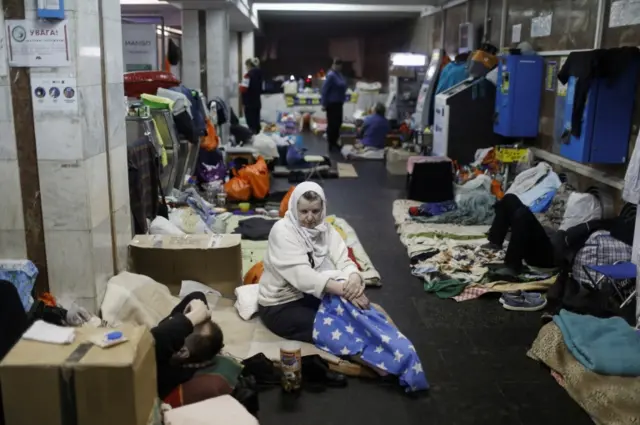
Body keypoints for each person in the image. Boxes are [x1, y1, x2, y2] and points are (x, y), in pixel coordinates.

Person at [258, 182, 368, 343]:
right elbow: (303, 276)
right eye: (304, 211)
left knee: (358, 316)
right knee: (338, 330)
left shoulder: (326, 229)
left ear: (323, 209)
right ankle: (376, 364)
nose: (310, 218)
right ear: (295, 209)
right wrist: (346, 291)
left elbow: (344, 260)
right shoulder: (282, 231)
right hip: (280, 304)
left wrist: (354, 278)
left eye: (315, 211)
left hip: (308, 294)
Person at [484, 194, 634, 277]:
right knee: (510, 198)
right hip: (551, 241)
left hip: (550, 257)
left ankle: (512, 266)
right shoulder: (582, 224)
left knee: (522, 215)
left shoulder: (593, 229)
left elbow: (569, 247)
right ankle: (495, 241)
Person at [150, 292, 224, 399]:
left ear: (183, 352)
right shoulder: (185, 347)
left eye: (186, 327)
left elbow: (156, 337)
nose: (180, 320)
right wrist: (198, 314)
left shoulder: (167, 371)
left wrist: (191, 319)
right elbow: (197, 295)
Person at [322, 58, 348, 152]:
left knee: (338, 123)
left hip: (339, 102)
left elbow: (343, 85)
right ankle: (331, 144)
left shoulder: (339, 75)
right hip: (332, 103)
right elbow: (325, 90)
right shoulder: (331, 75)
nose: (338, 66)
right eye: (337, 64)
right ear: (333, 65)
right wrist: (324, 104)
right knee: (332, 124)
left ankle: (335, 142)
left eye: (340, 65)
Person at [240, 58, 263, 135]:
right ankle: (258, 137)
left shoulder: (247, 75)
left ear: (249, 65)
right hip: (257, 102)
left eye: (246, 66)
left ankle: (252, 138)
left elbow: (243, 89)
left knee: (250, 123)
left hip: (249, 103)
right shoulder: (260, 74)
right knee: (256, 122)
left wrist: (240, 86)